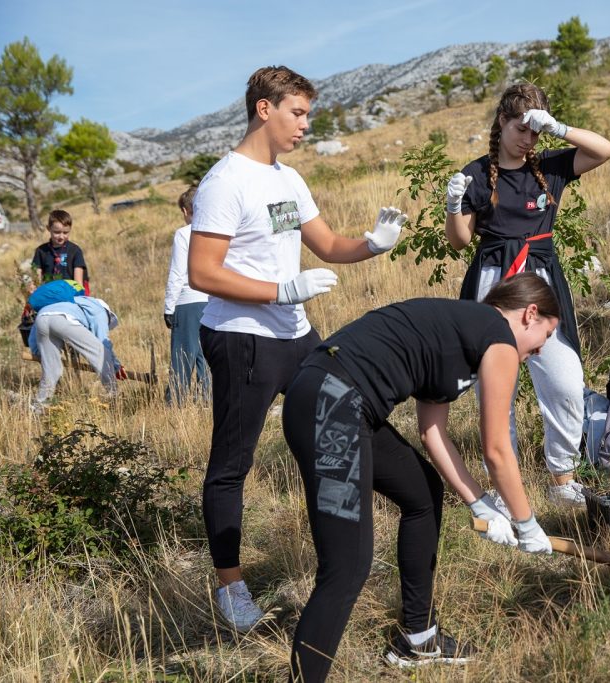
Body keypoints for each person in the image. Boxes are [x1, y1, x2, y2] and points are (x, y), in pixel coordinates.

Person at [186, 65, 408, 631]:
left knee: (342, 424)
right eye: (298, 112)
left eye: (308, 114)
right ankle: (231, 587)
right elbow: (202, 272)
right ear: (265, 109)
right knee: (233, 463)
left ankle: (346, 558)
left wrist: (372, 244)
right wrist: (279, 290)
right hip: (242, 337)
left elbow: (327, 244)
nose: (306, 124)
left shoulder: (288, 179)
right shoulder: (225, 182)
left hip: (296, 334)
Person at [282, 273, 558, 681]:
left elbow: (433, 434)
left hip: (330, 398)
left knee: (423, 492)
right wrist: (527, 522)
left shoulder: (463, 333)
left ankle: (419, 638)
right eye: (546, 335)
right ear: (530, 314)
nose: (539, 350)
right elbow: (497, 450)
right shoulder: (498, 337)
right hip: (333, 403)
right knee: (346, 565)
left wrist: (478, 502)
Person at [443, 83, 610, 508]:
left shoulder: (550, 166)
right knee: (496, 389)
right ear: (502, 121)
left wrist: (559, 128)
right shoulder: (477, 173)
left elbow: (605, 150)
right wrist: (453, 206)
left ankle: (562, 479)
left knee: (565, 382)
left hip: (540, 281)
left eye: (536, 132)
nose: (528, 139)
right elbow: (459, 241)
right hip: (494, 281)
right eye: (522, 129)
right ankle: (505, 489)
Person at [28, 294, 120, 414]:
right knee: (102, 353)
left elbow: (34, 336)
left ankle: (39, 407)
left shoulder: (72, 302)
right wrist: (115, 366)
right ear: (109, 314)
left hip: (41, 318)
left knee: (52, 370)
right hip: (62, 320)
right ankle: (115, 396)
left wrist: (38, 352)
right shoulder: (100, 310)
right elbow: (102, 341)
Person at [163, 186, 210, 405]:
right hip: (213, 301)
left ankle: (175, 402)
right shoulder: (217, 231)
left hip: (188, 300)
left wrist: (169, 307)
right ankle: (207, 401)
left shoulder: (183, 234)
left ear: (185, 210)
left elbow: (177, 273)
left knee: (182, 357)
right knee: (206, 357)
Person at [31, 209, 90, 293]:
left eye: (65, 232)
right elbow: (36, 280)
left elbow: (78, 284)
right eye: (57, 232)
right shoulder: (41, 251)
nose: (61, 237)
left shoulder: (75, 251)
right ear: (48, 228)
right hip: (48, 294)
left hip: (70, 293)